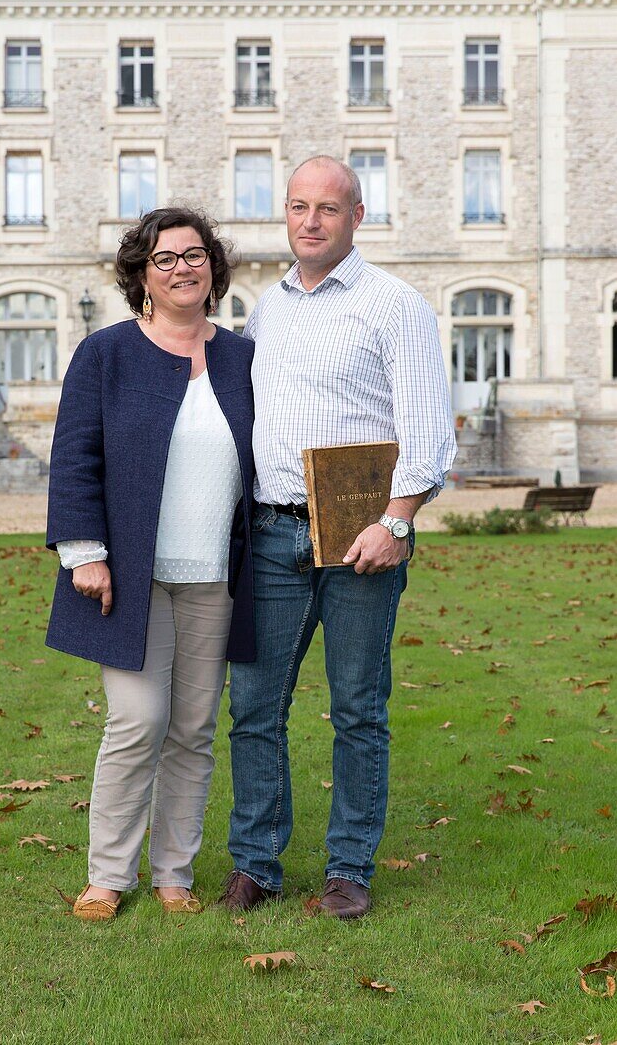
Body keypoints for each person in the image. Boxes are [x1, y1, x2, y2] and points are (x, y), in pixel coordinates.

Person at [219, 156, 457, 919]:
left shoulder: (395, 306)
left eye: (327, 207)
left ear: (357, 216)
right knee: (254, 709)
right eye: (297, 206)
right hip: (272, 534)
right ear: (283, 216)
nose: (311, 220)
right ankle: (255, 866)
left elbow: (428, 437)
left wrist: (395, 524)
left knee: (357, 709)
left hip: (361, 541)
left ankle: (347, 870)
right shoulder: (266, 308)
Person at [45, 206, 255, 920]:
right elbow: (75, 456)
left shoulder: (241, 357)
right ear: (140, 274)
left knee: (194, 728)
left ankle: (172, 873)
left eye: (194, 255)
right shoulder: (105, 354)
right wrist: (83, 553)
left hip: (215, 577)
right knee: (138, 720)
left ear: (213, 268)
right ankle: (108, 875)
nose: (182, 268)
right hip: (129, 576)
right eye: (164, 258)